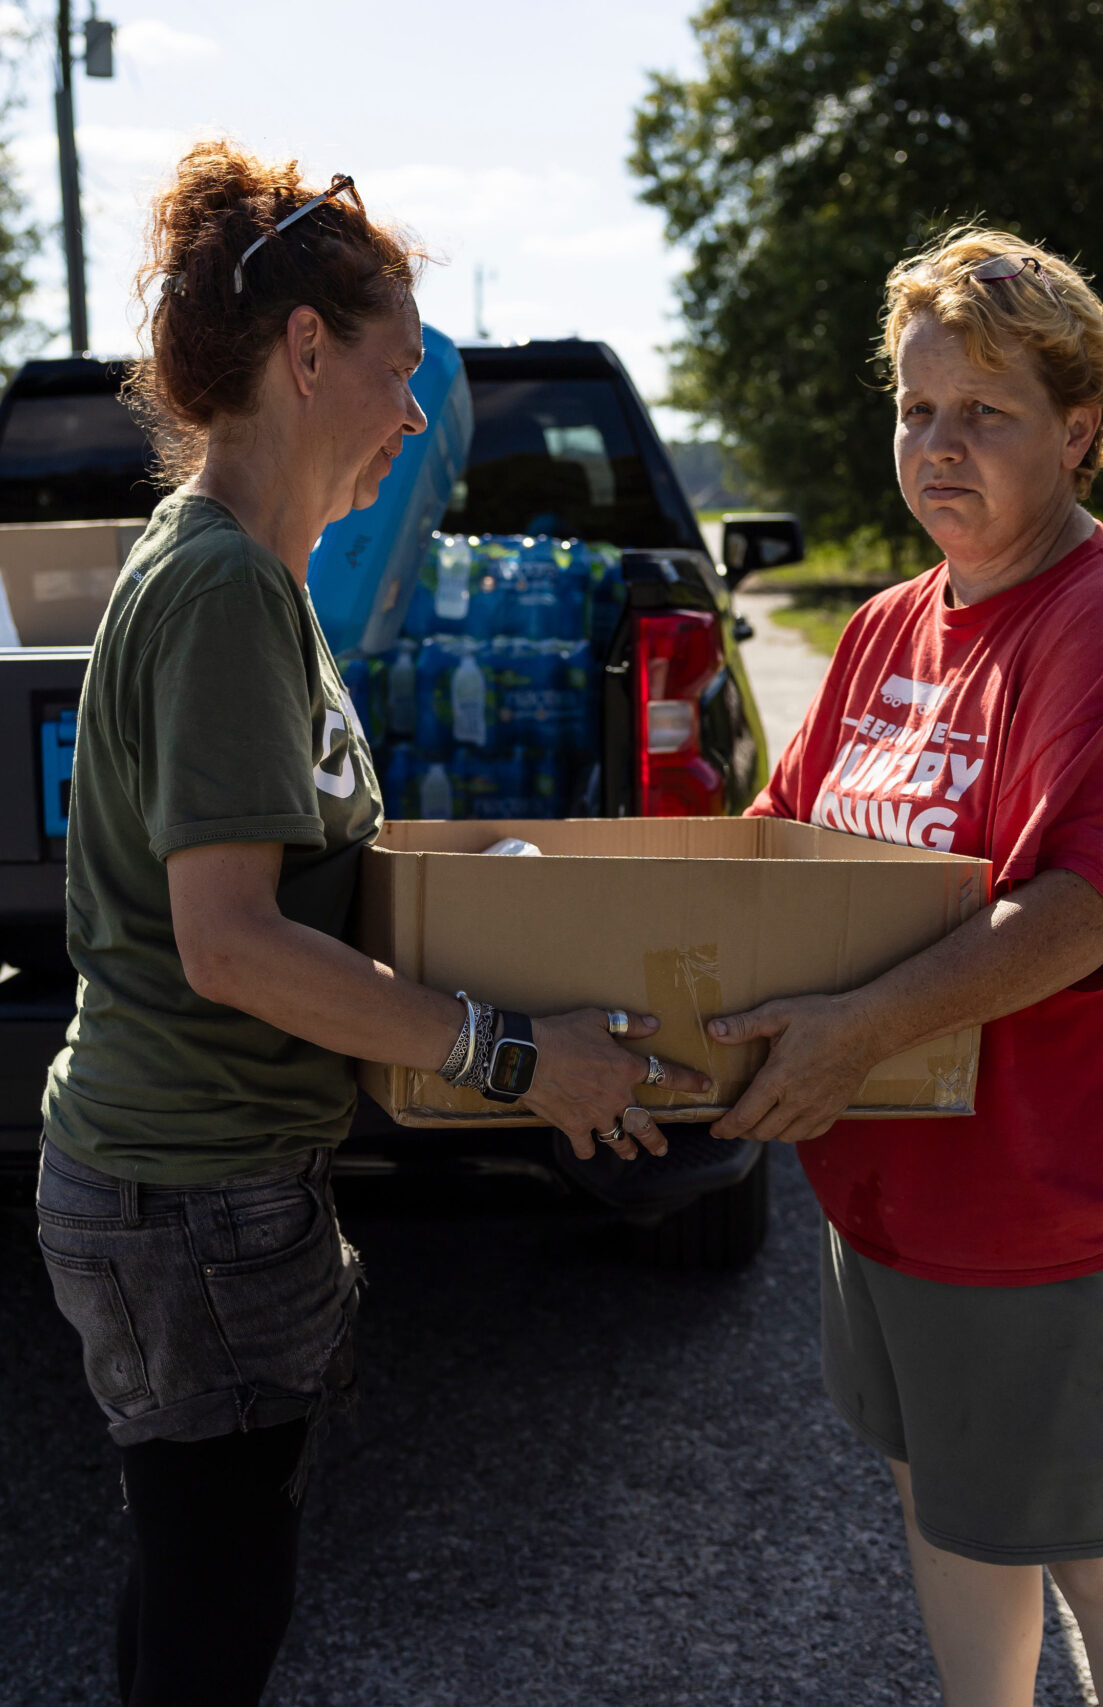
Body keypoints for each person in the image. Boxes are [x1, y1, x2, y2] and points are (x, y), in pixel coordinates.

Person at [35, 141, 712, 1707]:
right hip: (189, 1192)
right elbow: (233, 945)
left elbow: (320, 863)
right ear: (307, 350)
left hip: (203, 1186)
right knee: (219, 1603)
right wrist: (512, 1060)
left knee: (196, 1574)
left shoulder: (254, 583)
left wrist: (527, 893)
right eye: (403, 373)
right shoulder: (218, 593)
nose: (419, 418)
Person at [703, 227, 1103, 1706]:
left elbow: (1083, 912)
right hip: (915, 1174)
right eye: (918, 408)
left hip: (1085, 1177)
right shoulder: (884, 628)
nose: (939, 445)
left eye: (984, 414)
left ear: (1079, 429)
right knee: (954, 1492)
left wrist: (854, 1027)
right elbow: (777, 838)